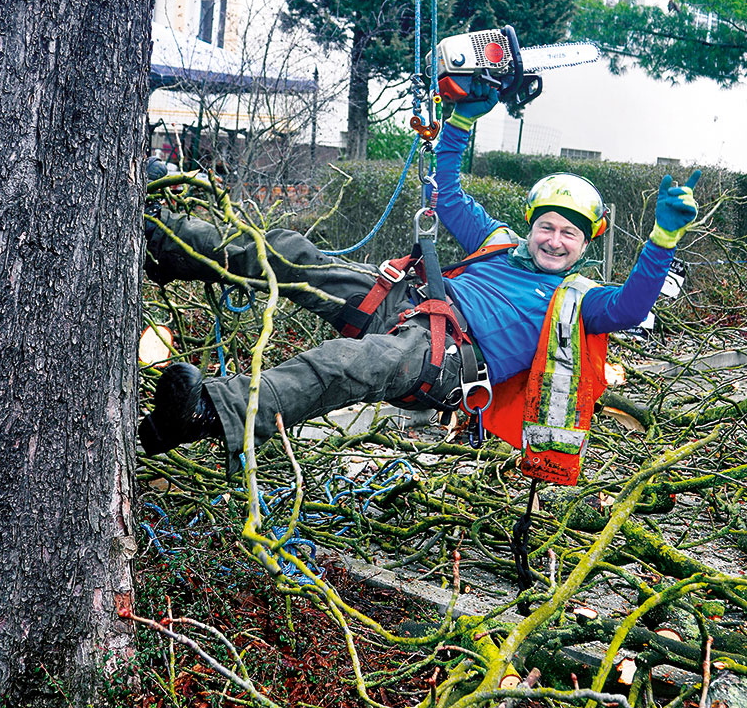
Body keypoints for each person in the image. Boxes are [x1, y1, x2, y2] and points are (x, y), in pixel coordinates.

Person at [139, 83, 701, 480]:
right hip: (411, 303)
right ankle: (164, 242)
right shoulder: (499, 241)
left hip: (447, 359)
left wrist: (663, 238)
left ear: (584, 246)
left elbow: (630, 307)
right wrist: (459, 121)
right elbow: (448, 195)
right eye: (548, 227)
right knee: (292, 254)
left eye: (569, 236)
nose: (555, 240)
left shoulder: (579, 300)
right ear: (533, 225)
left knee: (345, 363)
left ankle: (212, 411)